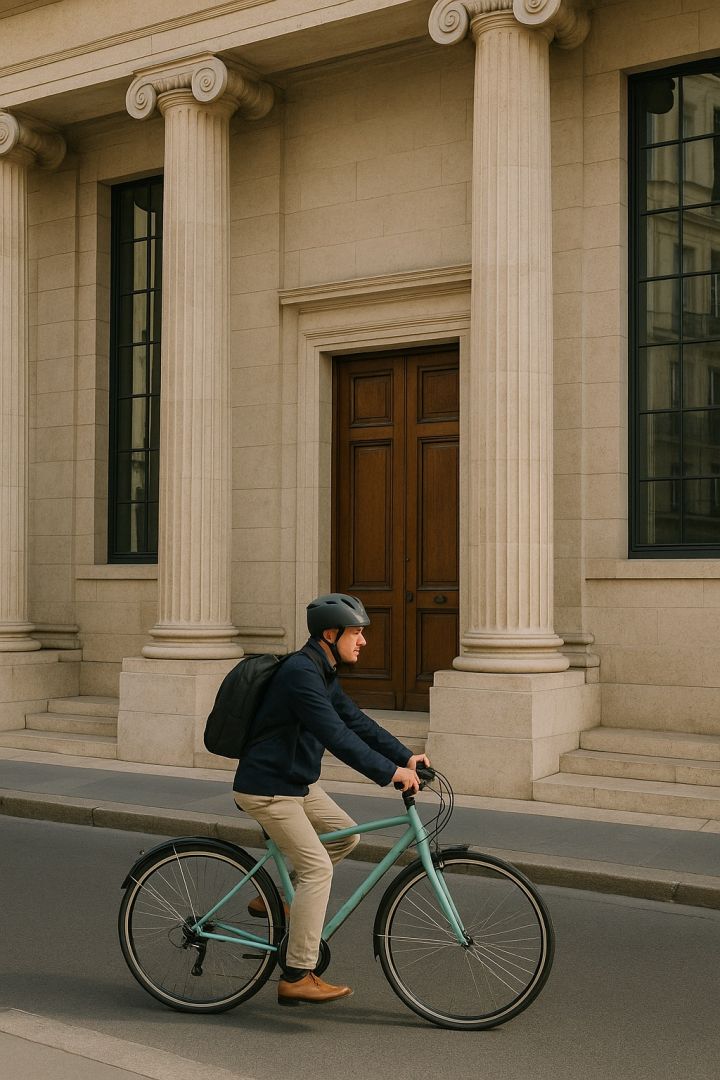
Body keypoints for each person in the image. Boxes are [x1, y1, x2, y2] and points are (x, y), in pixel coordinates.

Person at [233, 592, 430, 1007]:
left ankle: (283, 900)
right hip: (268, 788)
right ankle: (298, 973)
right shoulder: (301, 674)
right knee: (318, 867)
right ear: (330, 633)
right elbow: (336, 737)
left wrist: (405, 755)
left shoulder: (322, 670)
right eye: (356, 633)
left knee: (344, 835)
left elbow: (356, 720)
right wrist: (390, 774)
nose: (363, 641)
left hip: (295, 784)